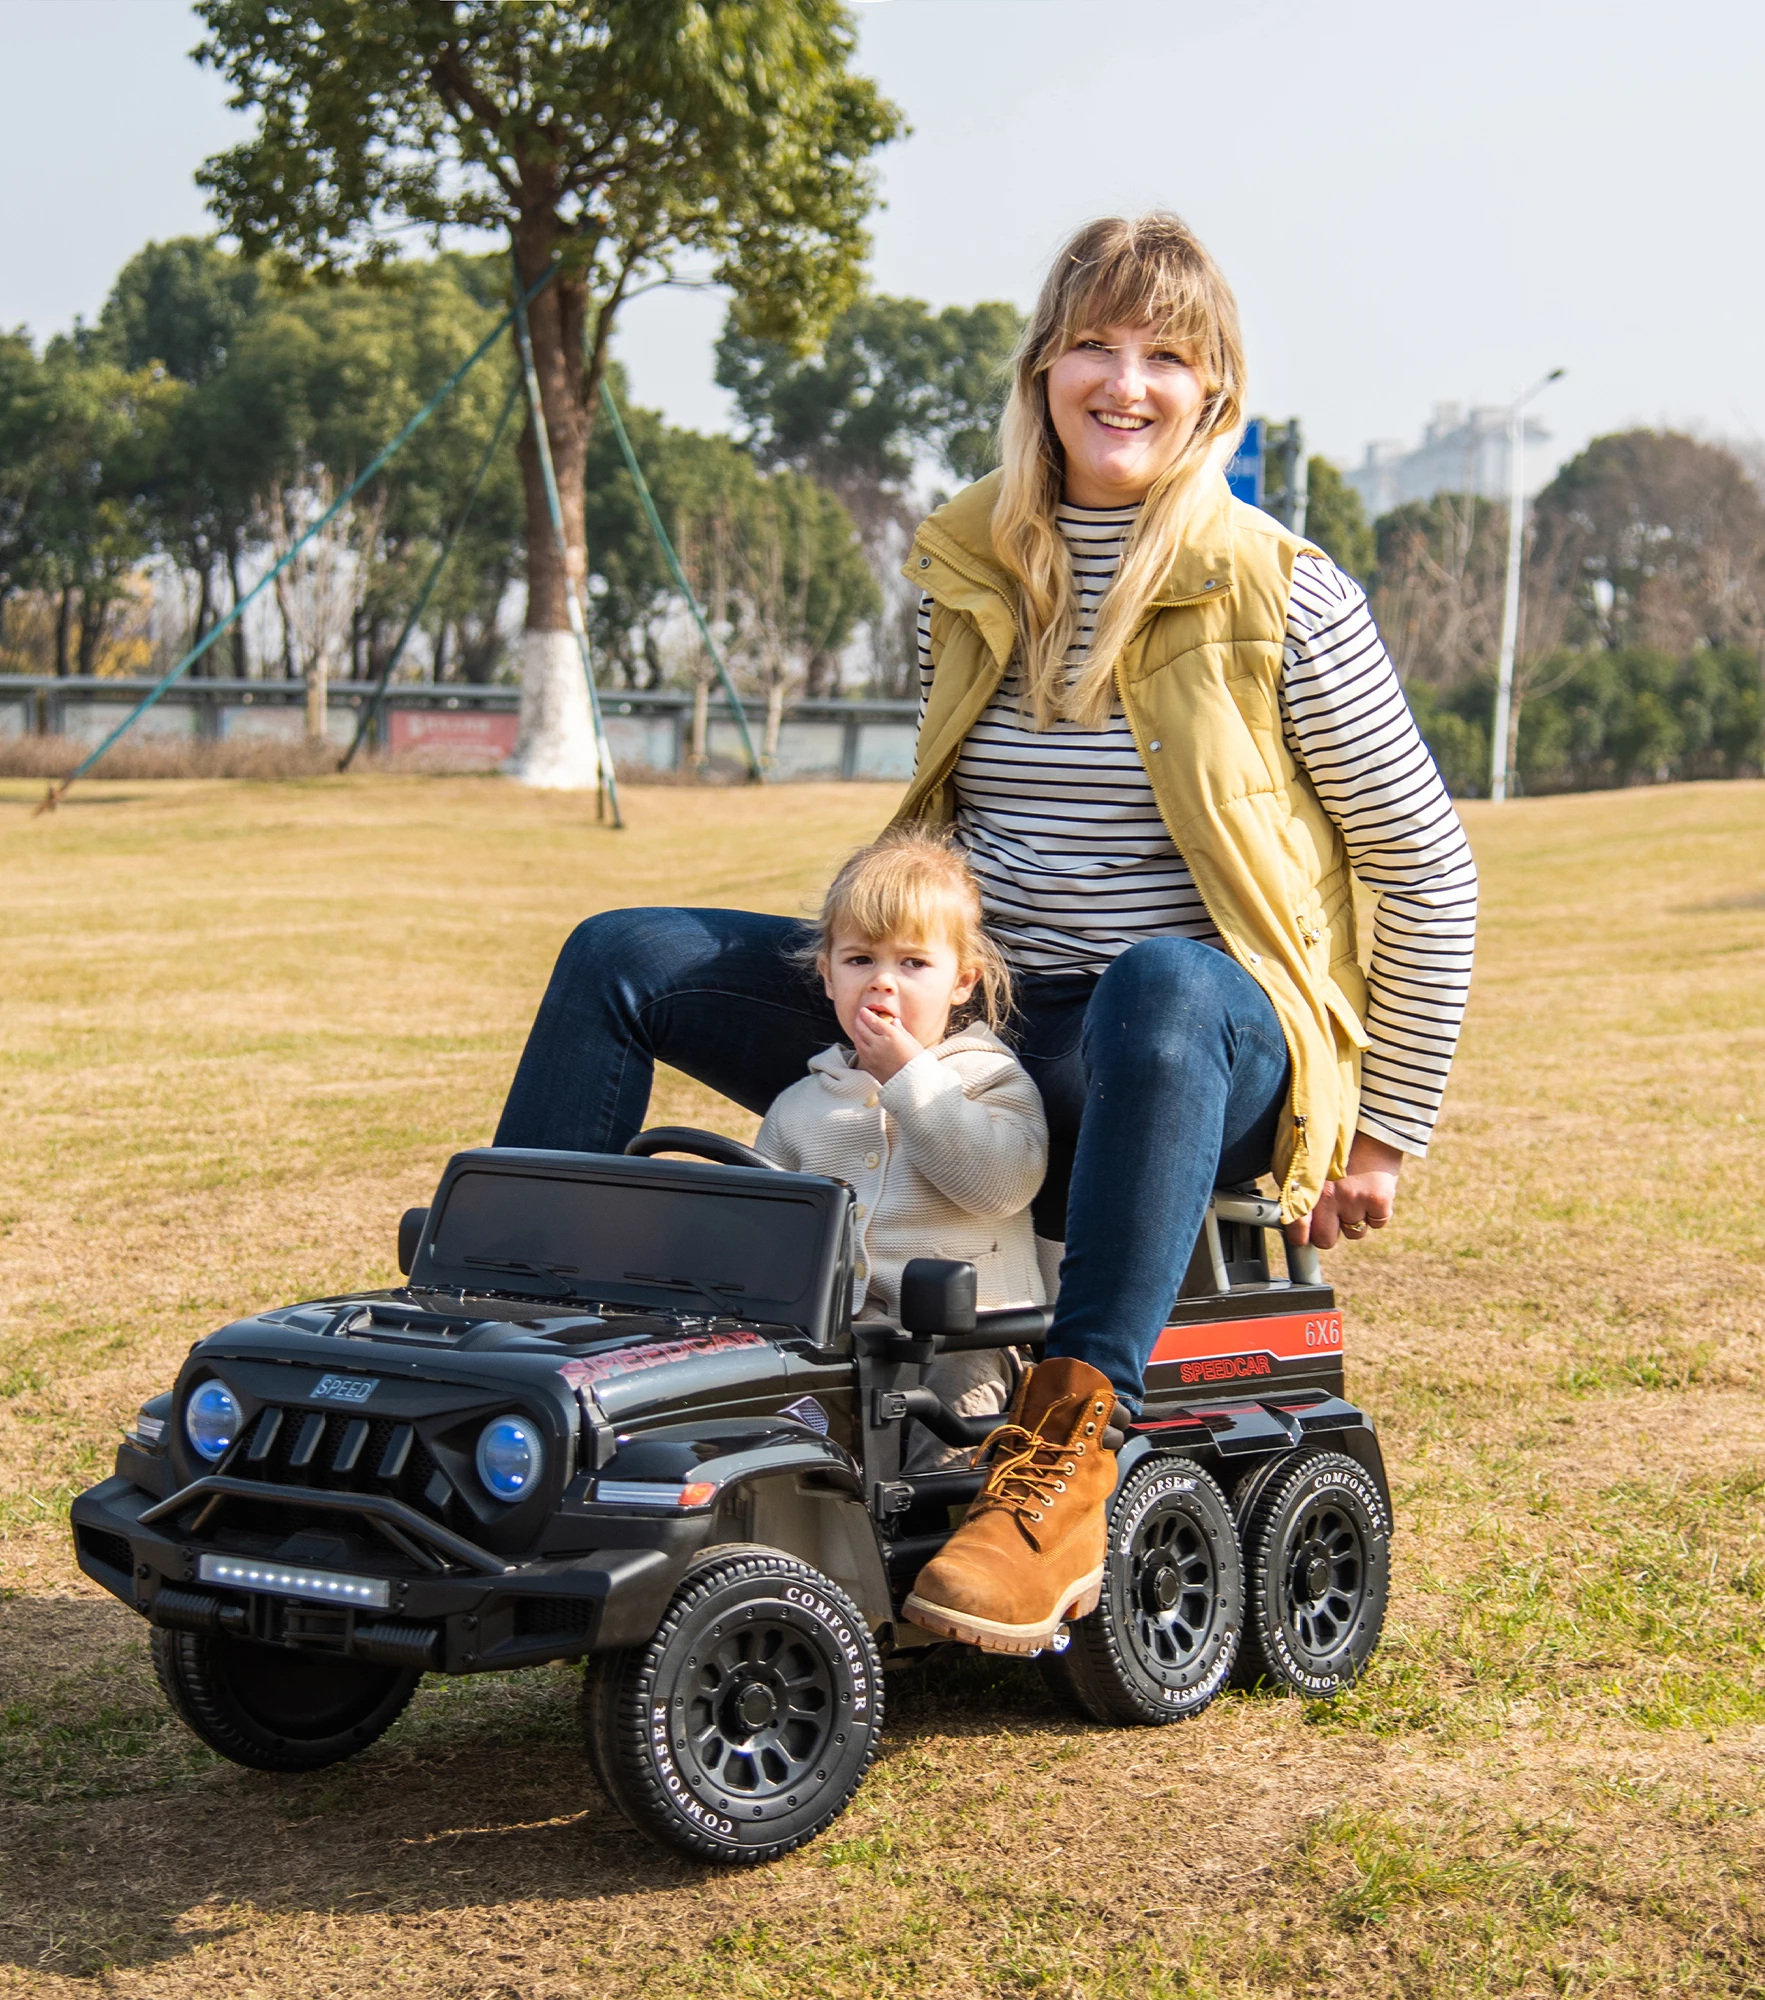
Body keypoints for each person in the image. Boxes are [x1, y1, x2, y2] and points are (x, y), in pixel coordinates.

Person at [495, 211, 1478, 1656]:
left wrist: (1386, 1135)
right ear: (1042, 368)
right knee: (622, 955)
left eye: (1167, 355)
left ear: (1215, 391)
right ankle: (522, 1340)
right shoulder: (967, 563)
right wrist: (900, 985)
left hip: (1197, 1045)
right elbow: (950, 829)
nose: (1125, 383)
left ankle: (1064, 1461)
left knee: (1157, 984)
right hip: (992, 1031)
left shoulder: (1281, 593)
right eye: (1095, 344)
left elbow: (1432, 871)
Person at [753, 830, 1045, 1471]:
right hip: (840, 1338)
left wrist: (909, 1079)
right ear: (826, 975)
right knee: (776, 1415)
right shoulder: (802, 1105)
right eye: (860, 961)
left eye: (913, 964)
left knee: (952, 1430)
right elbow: (770, 1229)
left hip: (968, 1336)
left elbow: (1001, 1183)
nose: (884, 984)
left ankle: (943, 1547)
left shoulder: (987, 1077)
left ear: (962, 981)